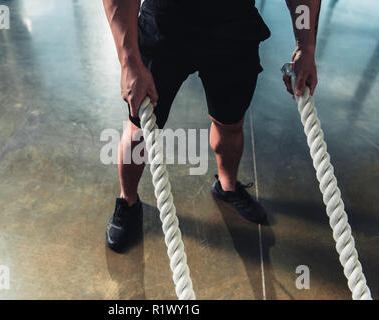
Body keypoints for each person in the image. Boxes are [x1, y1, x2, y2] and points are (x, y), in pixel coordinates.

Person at [103, 0, 321, 253]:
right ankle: (127, 201)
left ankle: (227, 186)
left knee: (229, 123)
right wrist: (129, 61)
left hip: (234, 26)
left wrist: (305, 47)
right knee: (140, 130)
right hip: (165, 23)